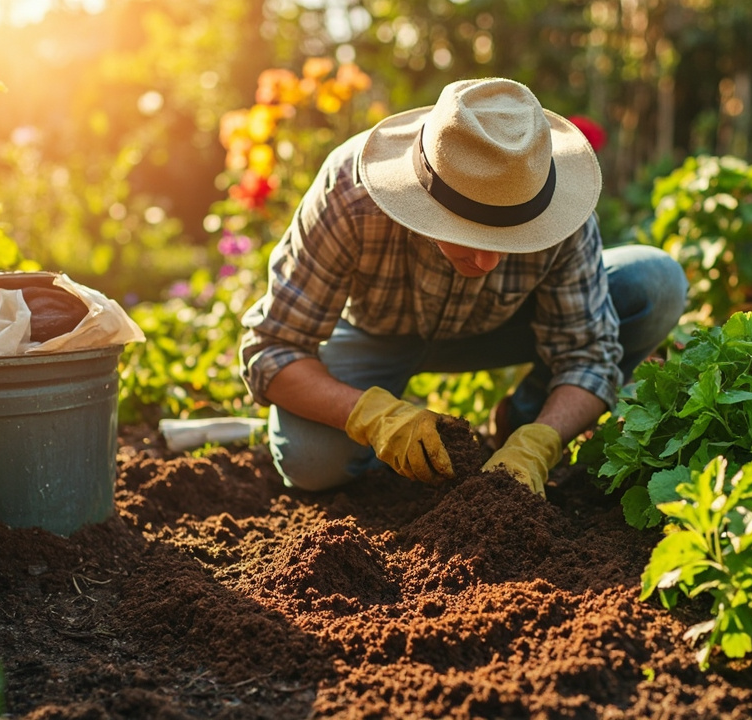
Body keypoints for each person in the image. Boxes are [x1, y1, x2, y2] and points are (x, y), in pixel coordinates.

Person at [239, 77, 687, 497]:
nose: (487, 262)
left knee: (656, 282)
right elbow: (273, 349)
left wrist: (541, 440)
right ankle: (397, 453)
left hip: (501, 330)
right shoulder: (349, 194)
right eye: (469, 234)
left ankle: (522, 418)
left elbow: (588, 355)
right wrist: (375, 418)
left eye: (509, 238)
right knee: (311, 460)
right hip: (376, 334)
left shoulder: (555, 208)